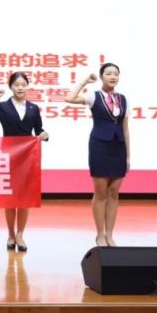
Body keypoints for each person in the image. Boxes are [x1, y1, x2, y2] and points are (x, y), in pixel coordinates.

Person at [0, 72, 49, 252]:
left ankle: (20, 234)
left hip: (28, 156)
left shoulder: (34, 108)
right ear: (11, 86)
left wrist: (44, 134)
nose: (20, 88)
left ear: (27, 86)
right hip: (8, 155)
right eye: (17, 85)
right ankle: (10, 234)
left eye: (23, 84)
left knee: (25, 198)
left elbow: (39, 129)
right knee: (10, 198)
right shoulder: (3, 106)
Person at [65, 63, 129, 247]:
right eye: (108, 73)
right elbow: (69, 98)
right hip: (99, 146)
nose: (113, 76)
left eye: (116, 73)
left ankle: (110, 234)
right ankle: (100, 233)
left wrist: (128, 156)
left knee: (114, 192)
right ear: (101, 77)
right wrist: (85, 81)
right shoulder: (94, 96)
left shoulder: (123, 99)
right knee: (101, 192)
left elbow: (125, 129)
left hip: (119, 147)